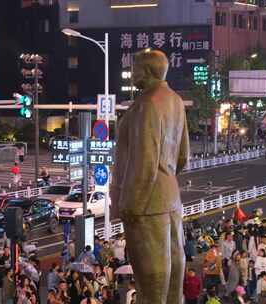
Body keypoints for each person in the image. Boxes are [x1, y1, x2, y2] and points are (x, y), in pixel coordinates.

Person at [110, 50, 190, 304]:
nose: (132, 72)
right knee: (174, 274)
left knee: (152, 280)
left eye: (135, 67)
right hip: (170, 196)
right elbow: (183, 156)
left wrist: (130, 205)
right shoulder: (175, 101)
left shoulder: (147, 104)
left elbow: (144, 161)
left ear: (146, 71)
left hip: (146, 201)